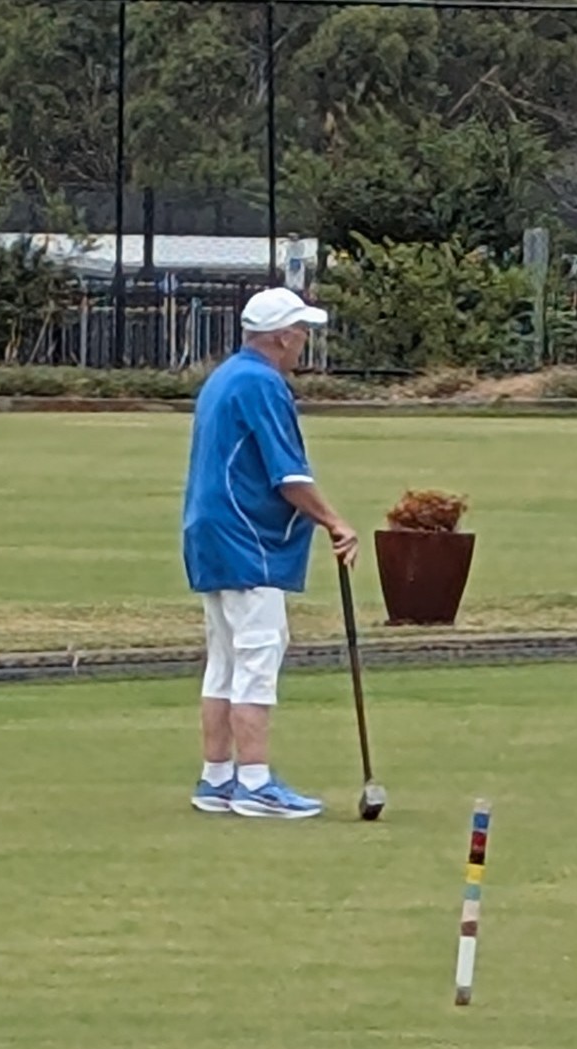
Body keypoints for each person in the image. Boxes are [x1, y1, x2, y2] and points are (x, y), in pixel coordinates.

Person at [179, 287, 361, 819]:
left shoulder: (226, 377)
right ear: (282, 335)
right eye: (301, 331)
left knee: (226, 658)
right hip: (246, 536)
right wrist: (334, 521)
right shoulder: (263, 384)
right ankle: (254, 782)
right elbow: (289, 476)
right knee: (257, 653)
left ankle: (217, 778)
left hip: (212, 532)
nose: (304, 341)